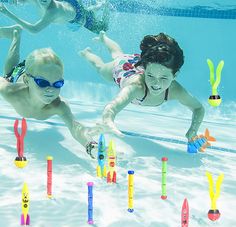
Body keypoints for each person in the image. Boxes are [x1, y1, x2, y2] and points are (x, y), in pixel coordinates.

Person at [80, 31, 205, 141]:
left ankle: (103, 38)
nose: (156, 84)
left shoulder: (175, 90)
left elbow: (198, 108)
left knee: (118, 53)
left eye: (164, 78)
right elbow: (113, 106)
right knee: (103, 67)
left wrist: (192, 131)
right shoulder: (136, 87)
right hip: (122, 68)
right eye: (150, 76)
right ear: (145, 69)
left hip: (142, 64)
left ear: (175, 75)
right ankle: (87, 53)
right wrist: (108, 120)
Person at [0, 26, 97, 158]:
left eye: (57, 84)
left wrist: (91, 145)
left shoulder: (59, 106)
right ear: (27, 81)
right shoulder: (11, 93)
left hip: (33, 73)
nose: (50, 89)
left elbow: (75, 127)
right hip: (20, 75)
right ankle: (15, 36)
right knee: (8, 73)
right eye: (43, 83)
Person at [0, 0, 109, 34]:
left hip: (78, 16)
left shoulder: (53, 11)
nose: (43, 1)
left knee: (102, 29)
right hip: (68, 4)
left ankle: (104, 4)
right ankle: (99, 5)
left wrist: (7, 13)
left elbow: (34, 29)